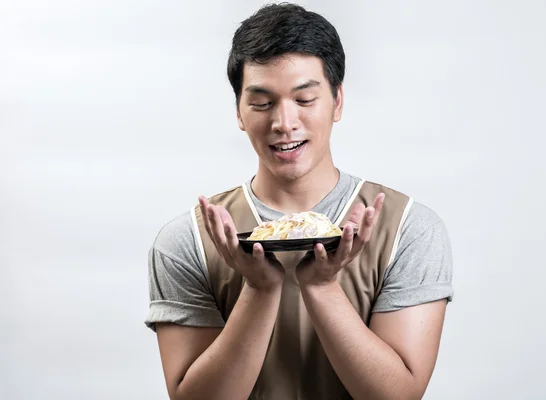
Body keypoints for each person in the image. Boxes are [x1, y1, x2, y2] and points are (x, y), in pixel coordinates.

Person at [145, 3, 454, 399]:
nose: (284, 123)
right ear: (239, 111)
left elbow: (396, 396)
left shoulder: (408, 228)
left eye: (305, 99)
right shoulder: (188, 239)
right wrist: (258, 288)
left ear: (337, 101)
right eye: (261, 103)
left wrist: (323, 288)